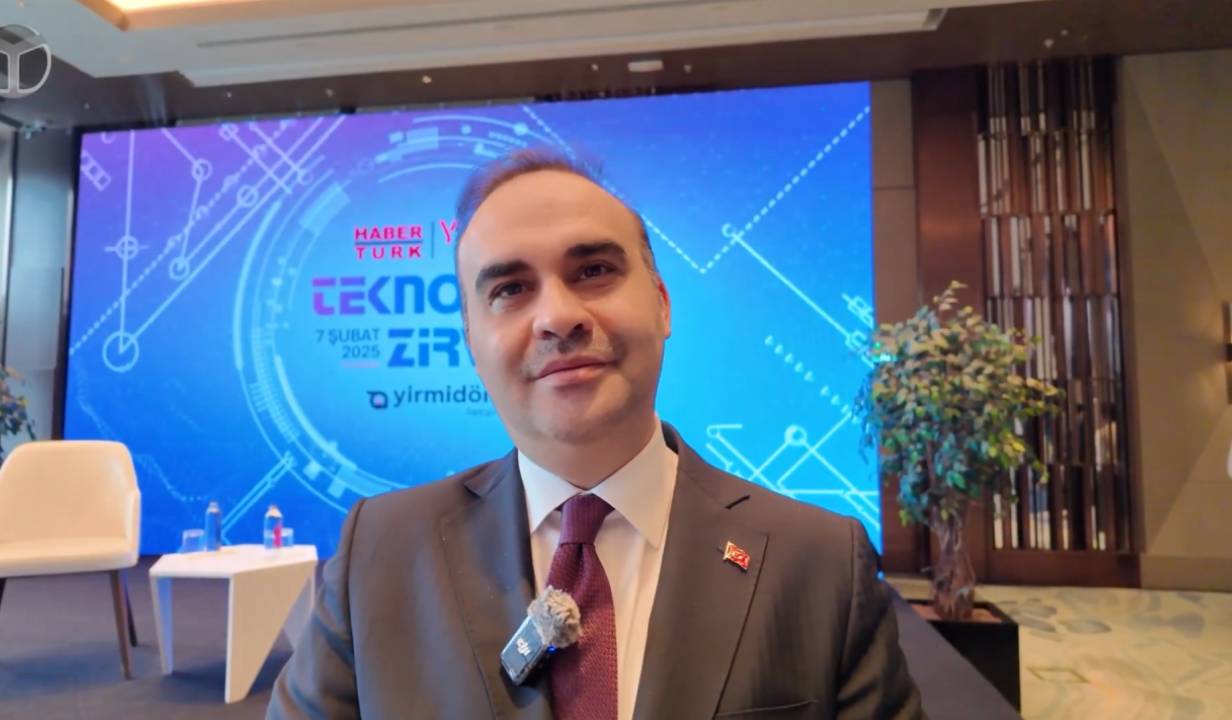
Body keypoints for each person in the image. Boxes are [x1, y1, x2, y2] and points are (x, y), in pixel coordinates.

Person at [267, 149, 925, 719]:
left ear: (662, 304)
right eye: (510, 289)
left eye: (593, 272)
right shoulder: (378, 555)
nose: (558, 316)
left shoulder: (819, 565)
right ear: (471, 343)